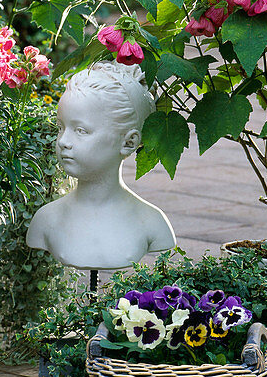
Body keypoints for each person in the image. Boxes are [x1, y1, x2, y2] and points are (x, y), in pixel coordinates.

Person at [26, 61, 175, 270]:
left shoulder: (151, 224)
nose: (63, 141)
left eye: (81, 130)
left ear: (129, 142)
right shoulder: (46, 221)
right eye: (61, 127)